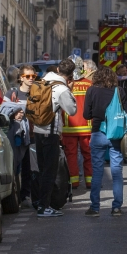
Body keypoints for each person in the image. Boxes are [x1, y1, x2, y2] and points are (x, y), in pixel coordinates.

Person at [33, 59, 77, 217]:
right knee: (50, 172)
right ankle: (44, 207)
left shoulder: (42, 81)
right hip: (50, 132)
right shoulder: (61, 88)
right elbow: (72, 110)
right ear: (70, 75)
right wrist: (70, 91)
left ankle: (40, 201)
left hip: (38, 130)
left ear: (58, 69)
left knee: (42, 168)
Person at [83, 66, 126, 216]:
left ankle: (94, 207)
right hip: (115, 134)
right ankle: (116, 207)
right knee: (116, 171)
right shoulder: (119, 91)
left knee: (97, 171)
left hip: (98, 133)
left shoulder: (92, 90)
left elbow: (86, 115)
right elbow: (125, 111)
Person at [4, 64, 37, 206]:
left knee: (30, 168)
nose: (31, 79)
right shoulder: (12, 94)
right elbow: (3, 112)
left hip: (33, 135)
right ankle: (15, 195)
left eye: (33, 76)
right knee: (16, 166)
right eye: (27, 76)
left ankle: (26, 196)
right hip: (17, 136)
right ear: (20, 78)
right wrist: (13, 114)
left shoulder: (37, 93)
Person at [62, 56, 93, 189]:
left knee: (71, 155)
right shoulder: (89, 84)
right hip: (86, 126)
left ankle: (73, 182)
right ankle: (90, 181)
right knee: (88, 155)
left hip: (69, 127)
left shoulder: (64, 84)